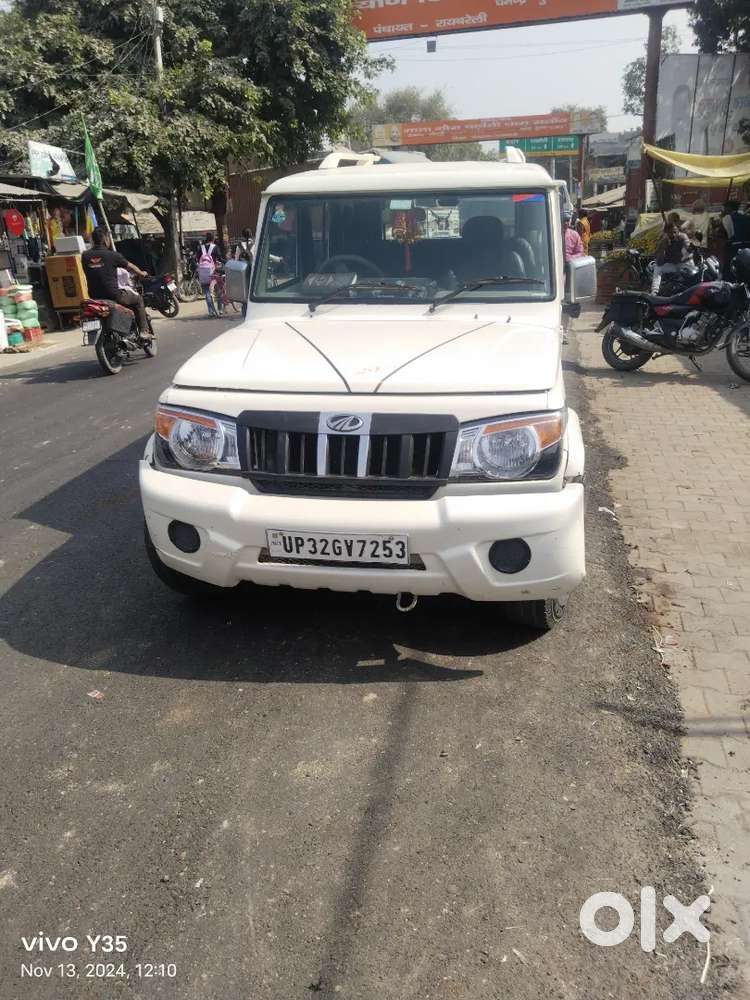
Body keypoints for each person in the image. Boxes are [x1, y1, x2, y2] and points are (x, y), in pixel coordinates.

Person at [82, 227, 150, 336]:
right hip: (113, 295)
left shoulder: (85, 256)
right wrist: (142, 273)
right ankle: (144, 331)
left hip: (94, 297)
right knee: (138, 300)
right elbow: (130, 267)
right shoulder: (113, 255)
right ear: (106, 240)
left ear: (93, 240)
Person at [651, 220, 691, 294]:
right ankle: (654, 292)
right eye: (670, 233)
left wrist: (690, 248)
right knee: (658, 269)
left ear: (678, 230)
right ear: (666, 233)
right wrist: (663, 248)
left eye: (675, 232)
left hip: (681, 263)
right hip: (670, 264)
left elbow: (688, 245)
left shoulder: (682, 236)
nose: (673, 234)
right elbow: (659, 262)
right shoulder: (663, 240)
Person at [198, 232, 223, 317]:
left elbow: (198, 259)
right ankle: (220, 310)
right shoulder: (215, 247)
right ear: (213, 239)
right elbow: (220, 258)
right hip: (213, 272)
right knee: (218, 291)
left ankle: (211, 312)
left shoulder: (200, 248)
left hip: (203, 273)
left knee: (207, 293)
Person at [722, 200, 750, 276]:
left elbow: (728, 234)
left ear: (730, 208)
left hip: (734, 248)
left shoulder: (727, 218)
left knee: (729, 271)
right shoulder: (746, 217)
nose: (724, 209)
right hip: (747, 247)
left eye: (725, 207)